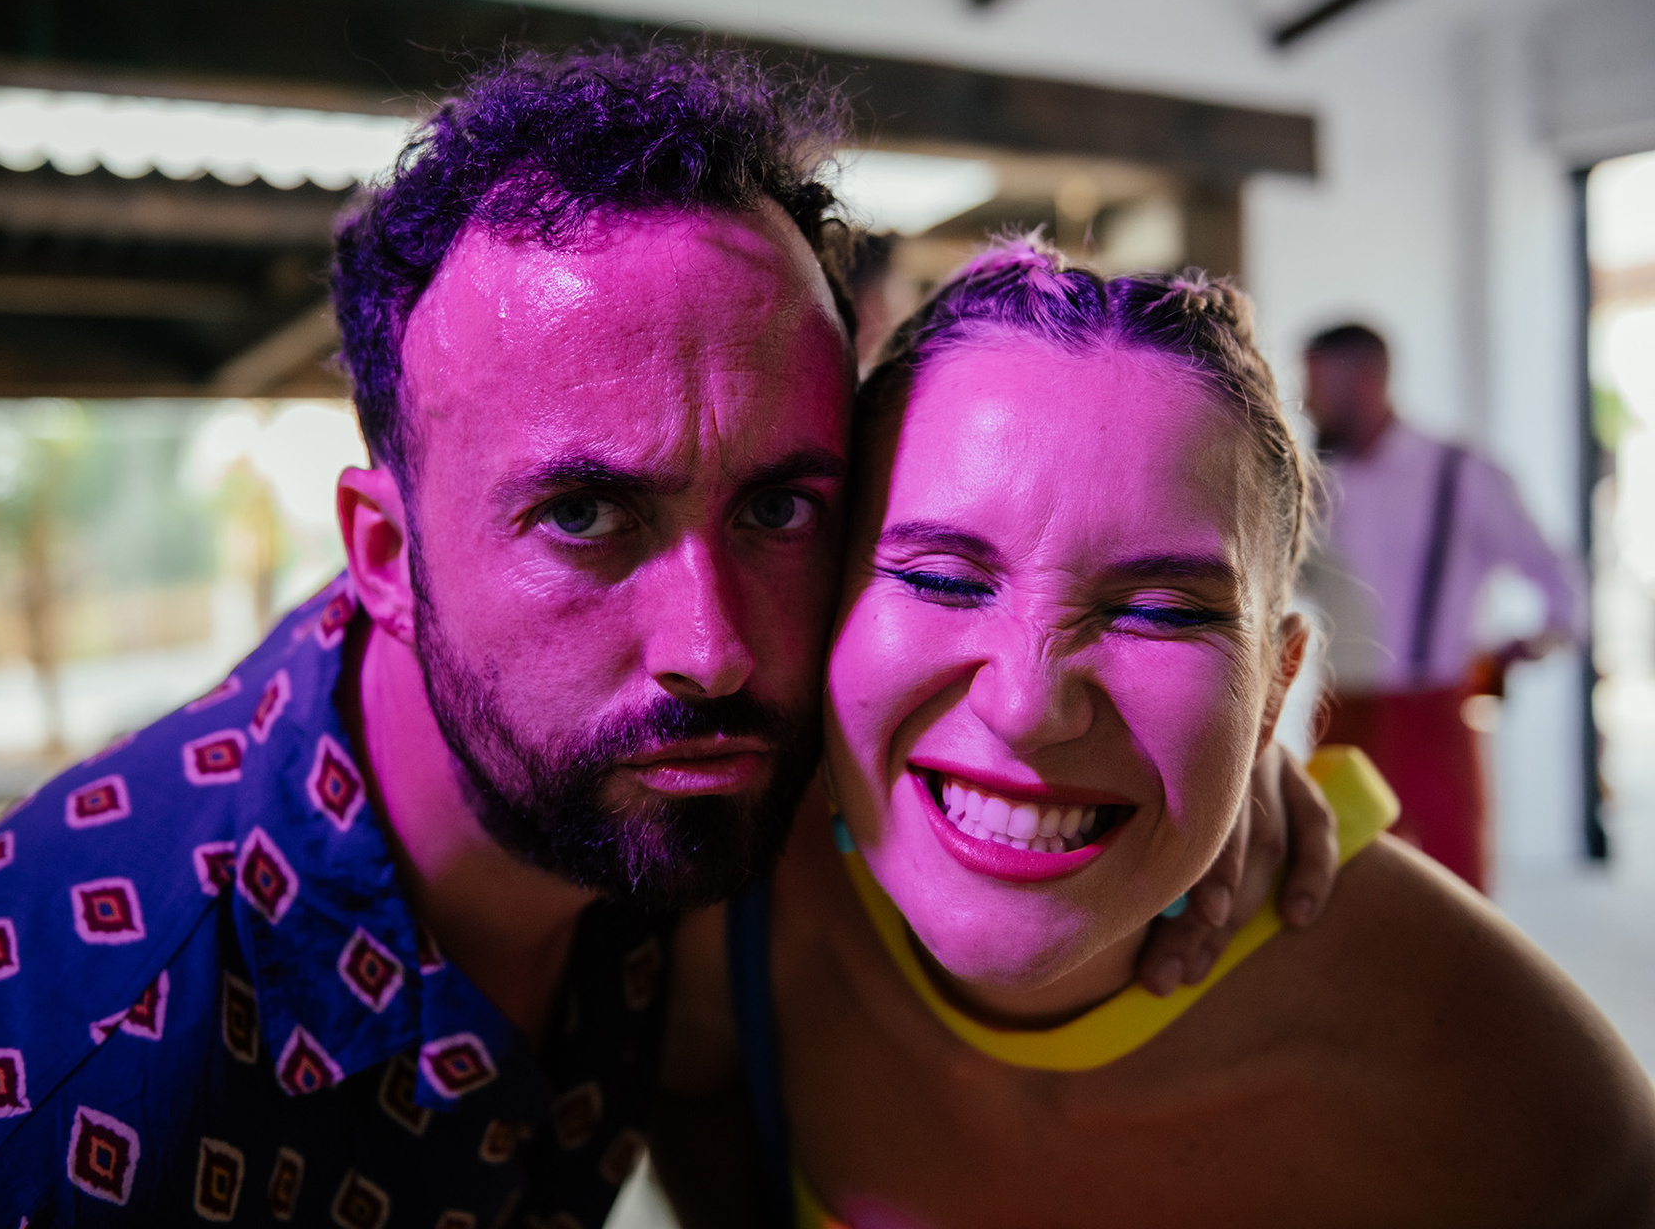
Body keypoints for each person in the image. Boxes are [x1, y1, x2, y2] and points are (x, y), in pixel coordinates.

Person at [0, 48, 1333, 1228]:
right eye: (585, 515)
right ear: (386, 557)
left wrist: (1207, 755)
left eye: (783, 507)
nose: (715, 649)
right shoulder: (57, 1127)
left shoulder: (684, 776)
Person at [651, 241, 1655, 1228]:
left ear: (1275, 689)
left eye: (1164, 612)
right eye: (943, 580)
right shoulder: (714, 901)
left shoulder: (1515, 1100)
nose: (1029, 706)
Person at [1301, 323, 1585, 890]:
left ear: (1367, 380)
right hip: (1340, 714)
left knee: (1452, 888)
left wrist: (1526, 646)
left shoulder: (1458, 473)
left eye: (1317, 385)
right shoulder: (1314, 480)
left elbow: (1559, 579)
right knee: (1335, 888)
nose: (1308, 402)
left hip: (1434, 710)